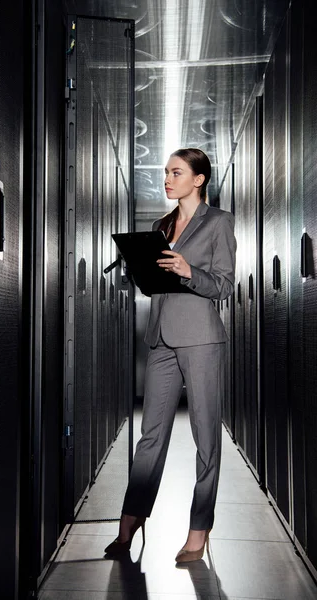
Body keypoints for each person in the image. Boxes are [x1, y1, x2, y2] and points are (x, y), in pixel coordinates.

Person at [104, 148, 236, 563]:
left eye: (176, 172)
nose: (167, 178)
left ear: (198, 179)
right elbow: (154, 287)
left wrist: (187, 271)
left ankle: (199, 528)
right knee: (150, 437)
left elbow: (224, 285)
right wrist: (139, 270)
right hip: (161, 338)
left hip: (200, 339)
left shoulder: (218, 222)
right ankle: (130, 523)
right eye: (165, 172)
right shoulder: (161, 225)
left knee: (205, 439)